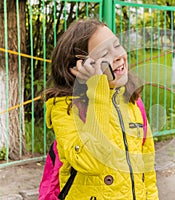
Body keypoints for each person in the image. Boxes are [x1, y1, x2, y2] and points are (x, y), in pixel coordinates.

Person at [43, 18, 159, 199]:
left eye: (117, 45)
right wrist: (97, 89)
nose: (118, 55)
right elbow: (91, 162)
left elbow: (147, 169)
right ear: (79, 67)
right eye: (104, 52)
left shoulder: (132, 101)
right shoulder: (64, 108)